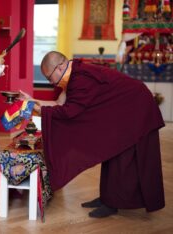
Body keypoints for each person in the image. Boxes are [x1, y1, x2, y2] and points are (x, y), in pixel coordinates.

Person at [19, 51, 165, 218]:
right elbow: (59, 103)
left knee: (122, 158)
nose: (50, 82)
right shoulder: (72, 74)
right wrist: (31, 101)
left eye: (49, 77)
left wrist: (40, 110)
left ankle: (113, 204)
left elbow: (69, 112)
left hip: (137, 108)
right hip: (123, 109)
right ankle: (107, 198)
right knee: (111, 152)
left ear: (59, 68)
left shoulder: (80, 78)